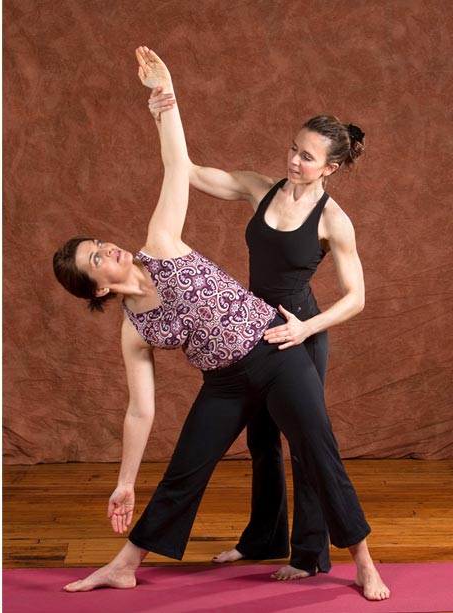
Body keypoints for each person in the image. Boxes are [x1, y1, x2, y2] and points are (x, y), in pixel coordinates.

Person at [51, 48, 389, 601]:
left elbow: (172, 166)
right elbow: (140, 409)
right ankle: (125, 562)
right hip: (226, 380)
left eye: (98, 244)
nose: (107, 247)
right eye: (96, 258)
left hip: (279, 348)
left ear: (329, 166)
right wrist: (124, 481)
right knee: (188, 466)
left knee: (315, 451)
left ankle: (363, 562)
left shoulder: (160, 244)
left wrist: (166, 100)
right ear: (99, 289)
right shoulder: (135, 329)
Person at [146, 89, 366, 580]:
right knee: (261, 439)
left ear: (329, 168)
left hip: (300, 334)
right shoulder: (258, 187)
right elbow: (184, 168)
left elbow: (356, 297)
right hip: (253, 328)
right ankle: (264, 536)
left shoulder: (333, 220)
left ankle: (309, 556)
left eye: (307, 158)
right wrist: (167, 106)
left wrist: (306, 327)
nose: (293, 160)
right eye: (293, 148)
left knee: (306, 443)